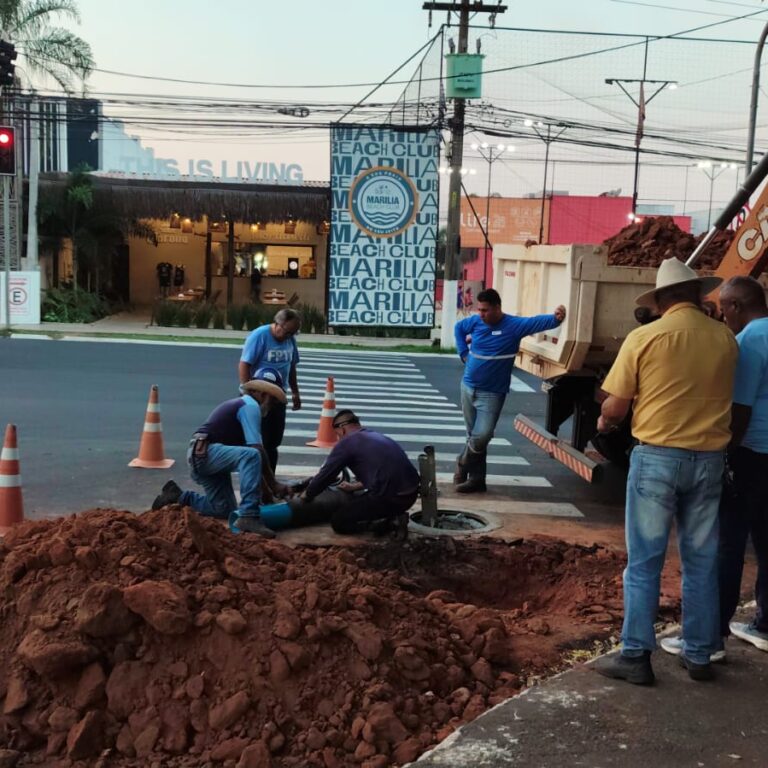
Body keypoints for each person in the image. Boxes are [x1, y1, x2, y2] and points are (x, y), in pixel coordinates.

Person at [594, 258, 738, 685]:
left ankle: (636, 656)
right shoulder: (726, 339)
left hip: (657, 459)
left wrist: (604, 421)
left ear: (660, 301)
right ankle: (699, 655)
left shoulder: (645, 337)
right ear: (697, 295)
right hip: (710, 461)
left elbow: (615, 406)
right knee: (701, 561)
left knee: (644, 563)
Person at [661, 276, 768, 660]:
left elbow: (739, 408)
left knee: (726, 544)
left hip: (751, 453)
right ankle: (765, 624)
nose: (724, 318)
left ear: (737, 306)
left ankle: (711, 635)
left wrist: (725, 454)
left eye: (725, 310)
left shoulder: (750, 341)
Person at [151, 368, 290, 538]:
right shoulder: (249, 405)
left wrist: (267, 492)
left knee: (224, 509)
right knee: (252, 455)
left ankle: (178, 497)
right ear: (259, 393)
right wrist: (274, 484)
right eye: (272, 399)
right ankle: (248, 516)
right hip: (205, 454)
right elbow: (256, 451)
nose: (273, 405)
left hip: (203, 456)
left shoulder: (244, 408)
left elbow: (251, 467)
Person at [453, 288, 566, 493]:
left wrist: (556, 318)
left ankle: (462, 462)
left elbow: (536, 322)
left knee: (482, 435)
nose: (481, 314)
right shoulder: (476, 322)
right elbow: (459, 328)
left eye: (485, 310)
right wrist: (463, 353)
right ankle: (477, 480)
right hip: (468, 387)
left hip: (492, 393)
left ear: (497, 308)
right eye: (479, 309)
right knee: (473, 435)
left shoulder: (514, 326)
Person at [299, 409, 420, 535]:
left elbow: (326, 475)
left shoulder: (346, 443)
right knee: (361, 501)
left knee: (339, 521)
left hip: (391, 498)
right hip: (410, 495)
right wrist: (354, 487)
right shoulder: (375, 436)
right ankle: (393, 514)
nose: (339, 438)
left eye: (338, 434)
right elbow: (383, 471)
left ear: (342, 428)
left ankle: (387, 523)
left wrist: (307, 494)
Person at [238, 308, 302, 471]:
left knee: (272, 442)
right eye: (288, 332)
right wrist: (248, 392)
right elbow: (244, 364)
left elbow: (291, 366)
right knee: (257, 441)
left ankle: (270, 478)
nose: (289, 336)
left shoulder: (290, 339)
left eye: (294, 333)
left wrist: (295, 391)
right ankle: (255, 479)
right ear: (278, 324)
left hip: (278, 396)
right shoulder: (260, 336)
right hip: (259, 396)